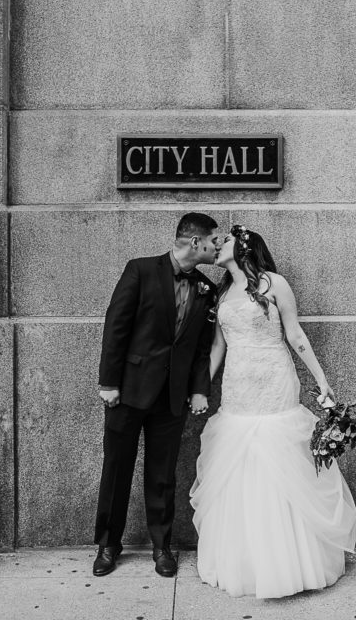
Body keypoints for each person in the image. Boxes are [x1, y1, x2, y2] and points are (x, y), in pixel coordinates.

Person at [189, 224, 356, 599]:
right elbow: (218, 346)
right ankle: (246, 560)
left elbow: (295, 335)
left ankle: (291, 560)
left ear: (244, 247)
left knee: (277, 453)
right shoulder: (222, 292)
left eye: (225, 241)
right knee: (240, 457)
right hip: (237, 385)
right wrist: (201, 387)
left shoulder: (274, 284)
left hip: (274, 379)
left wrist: (322, 381)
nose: (217, 246)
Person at [93, 212, 221, 577]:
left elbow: (200, 348)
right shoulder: (140, 270)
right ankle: (108, 545)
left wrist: (199, 390)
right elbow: (116, 325)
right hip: (128, 392)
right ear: (195, 242)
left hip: (172, 398)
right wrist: (108, 383)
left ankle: (162, 547)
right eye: (214, 240)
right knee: (117, 469)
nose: (216, 247)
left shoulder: (206, 290)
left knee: (163, 474)